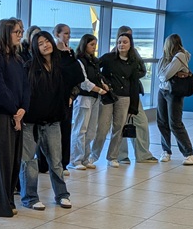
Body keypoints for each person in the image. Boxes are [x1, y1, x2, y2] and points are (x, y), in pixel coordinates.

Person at [19, 31, 74, 210]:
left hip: (53, 121)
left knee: (56, 162)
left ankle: (62, 195)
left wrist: (68, 54)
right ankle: (30, 198)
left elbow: (77, 78)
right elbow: (24, 93)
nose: (45, 45)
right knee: (28, 162)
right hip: (31, 122)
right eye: (40, 43)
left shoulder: (60, 65)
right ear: (35, 47)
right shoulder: (29, 67)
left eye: (47, 41)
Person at [0, 18, 29, 218]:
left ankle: (9, 200)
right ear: (5, 33)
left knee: (12, 162)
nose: (20, 35)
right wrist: (14, 112)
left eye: (21, 31)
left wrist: (23, 109)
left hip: (16, 116)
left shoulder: (18, 59)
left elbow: (26, 87)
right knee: (0, 162)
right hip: (1, 117)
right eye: (16, 32)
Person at [92, 33, 144, 168]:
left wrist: (133, 107)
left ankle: (113, 157)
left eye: (125, 42)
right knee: (102, 128)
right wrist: (102, 82)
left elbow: (134, 85)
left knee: (119, 128)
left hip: (125, 97)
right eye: (119, 42)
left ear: (130, 44)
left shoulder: (133, 62)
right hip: (108, 95)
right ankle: (94, 155)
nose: (121, 45)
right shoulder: (109, 58)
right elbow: (94, 67)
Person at [115, 25, 158, 164]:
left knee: (141, 122)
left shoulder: (134, 54)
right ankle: (121, 155)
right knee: (120, 124)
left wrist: (131, 76)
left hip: (133, 94)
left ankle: (143, 154)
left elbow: (142, 70)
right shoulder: (113, 55)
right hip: (119, 95)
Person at [157, 34, 193, 166]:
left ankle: (189, 154)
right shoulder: (165, 57)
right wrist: (164, 62)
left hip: (174, 92)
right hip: (162, 91)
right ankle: (166, 151)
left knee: (175, 123)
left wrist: (165, 73)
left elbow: (165, 75)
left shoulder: (180, 56)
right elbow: (159, 74)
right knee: (162, 122)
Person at [70, 34, 108, 170]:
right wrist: (98, 89)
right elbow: (83, 81)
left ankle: (86, 158)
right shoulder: (79, 61)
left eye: (95, 45)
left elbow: (98, 76)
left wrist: (103, 84)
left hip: (95, 98)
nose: (94, 47)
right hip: (83, 97)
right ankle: (76, 159)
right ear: (84, 44)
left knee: (91, 130)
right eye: (92, 44)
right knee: (81, 129)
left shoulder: (94, 61)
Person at [53, 23, 75, 172]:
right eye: (65, 33)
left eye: (69, 33)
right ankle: (49, 162)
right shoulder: (52, 53)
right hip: (54, 96)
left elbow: (75, 76)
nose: (68, 36)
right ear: (57, 35)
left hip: (67, 97)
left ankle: (64, 163)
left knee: (66, 130)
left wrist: (72, 95)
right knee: (52, 131)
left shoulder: (70, 53)